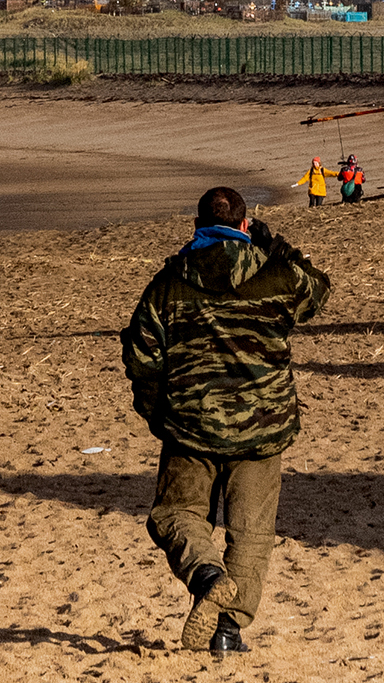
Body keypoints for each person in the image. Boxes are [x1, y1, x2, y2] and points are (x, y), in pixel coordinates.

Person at [121, 186, 330, 655]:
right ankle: (229, 630)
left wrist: (158, 413)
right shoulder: (276, 274)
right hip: (262, 426)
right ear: (244, 225)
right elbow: (318, 289)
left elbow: (141, 356)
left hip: (190, 426)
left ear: (197, 226)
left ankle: (206, 574)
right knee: (251, 532)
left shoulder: (170, 282)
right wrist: (277, 247)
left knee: (176, 514)